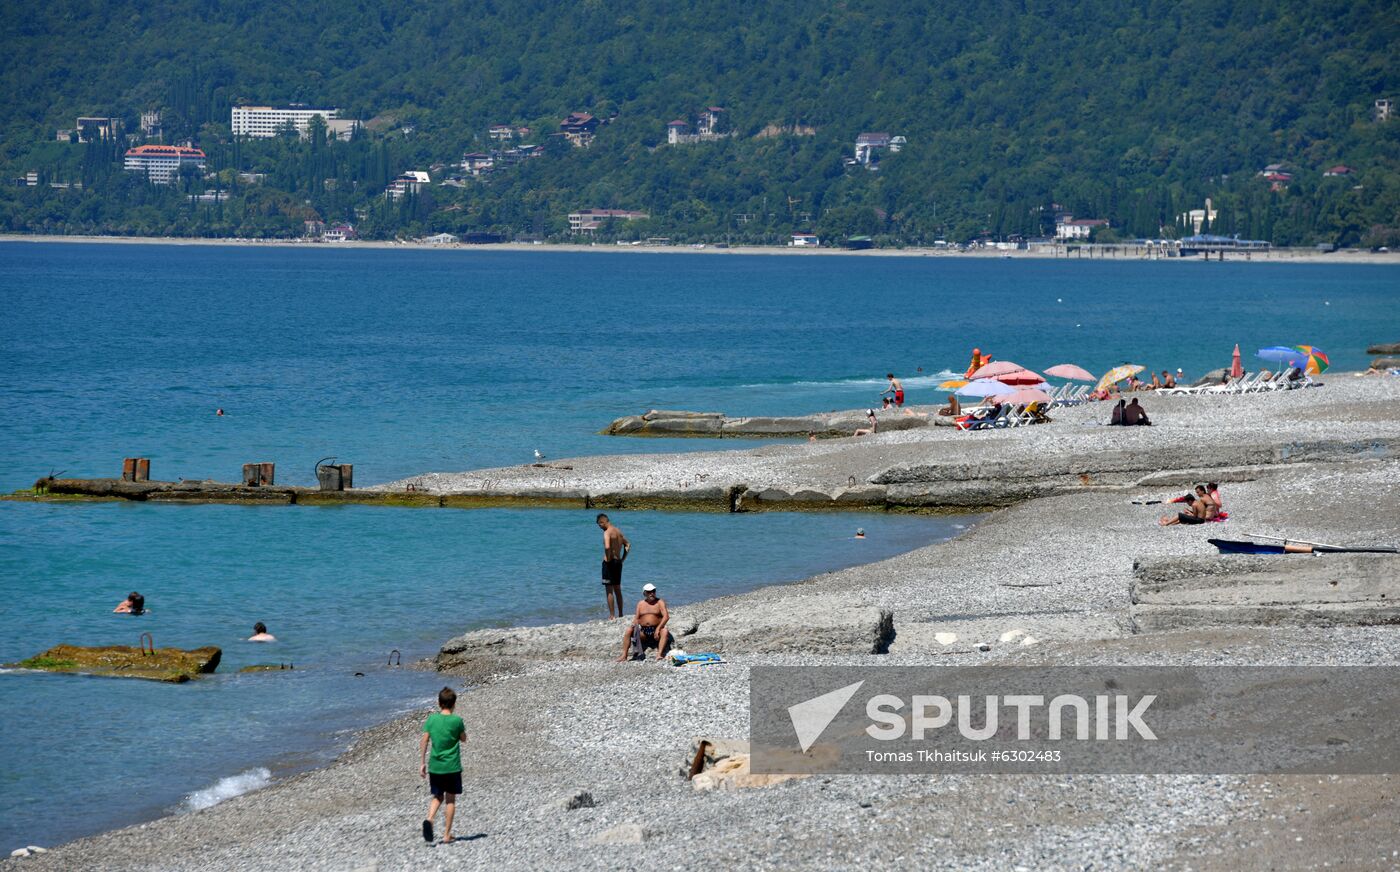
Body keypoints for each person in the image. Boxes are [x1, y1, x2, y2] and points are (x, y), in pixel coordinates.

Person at [419, 687, 466, 844]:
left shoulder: (432, 720)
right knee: (450, 799)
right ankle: (447, 834)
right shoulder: (457, 721)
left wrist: (422, 763)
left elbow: (425, 740)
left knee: (437, 796)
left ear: (439, 703)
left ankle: (430, 819)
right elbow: (463, 738)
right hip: (452, 766)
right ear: (454, 704)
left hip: (436, 766)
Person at [618, 583, 670, 661]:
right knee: (629, 630)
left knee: (665, 631)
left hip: (656, 631)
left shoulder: (660, 602)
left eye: (653, 591)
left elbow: (666, 617)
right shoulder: (640, 604)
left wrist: (658, 629)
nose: (652, 593)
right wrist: (634, 625)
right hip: (644, 632)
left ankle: (659, 654)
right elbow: (636, 618)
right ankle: (624, 655)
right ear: (644, 593)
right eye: (649, 592)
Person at [596, 514, 630, 619]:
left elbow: (607, 546)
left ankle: (612, 615)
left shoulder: (607, 532)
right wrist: (623, 559)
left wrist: (609, 557)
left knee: (609, 589)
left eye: (599, 525)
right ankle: (620, 614)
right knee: (617, 589)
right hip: (618, 562)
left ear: (603, 522)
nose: (600, 527)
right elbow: (628, 544)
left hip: (609, 563)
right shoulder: (618, 531)